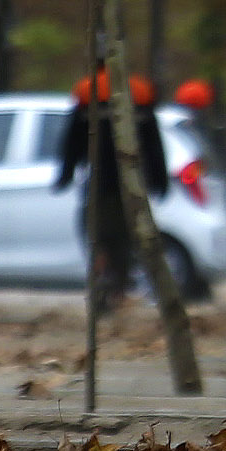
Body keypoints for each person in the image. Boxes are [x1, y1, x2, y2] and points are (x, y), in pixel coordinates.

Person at [51, 68, 167, 297]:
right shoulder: (140, 92)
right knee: (126, 237)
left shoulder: (87, 92)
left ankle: (103, 278)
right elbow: (154, 144)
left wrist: (65, 175)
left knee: (96, 234)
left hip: (99, 181)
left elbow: (72, 142)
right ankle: (120, 282)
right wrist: (159, 180)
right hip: (132, 181)